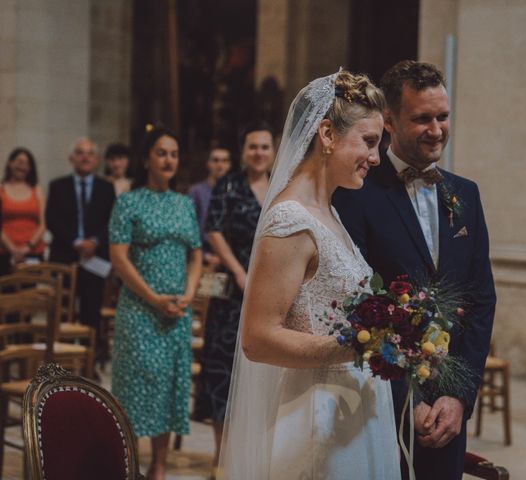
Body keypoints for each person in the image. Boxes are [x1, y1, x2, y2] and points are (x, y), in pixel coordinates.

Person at [217, 70, 400, 480]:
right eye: (369, 142)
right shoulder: (290, 220)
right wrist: (350, 348)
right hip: (317, 416)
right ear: (327, 134)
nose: (375, 157)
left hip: (351, 411)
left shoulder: (330, 212)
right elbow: (258, 339)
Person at [333, 60, 496, 480]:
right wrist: (406, 398)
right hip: (379, 402)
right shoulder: (357, 192)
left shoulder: (466, 195)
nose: (436, 129)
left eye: (442, 116)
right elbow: (355, 303)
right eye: (422, 118)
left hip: (448, 410)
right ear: (389, 121)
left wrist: (458, 397)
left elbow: (481, 299)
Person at [109, 126, 202, 480]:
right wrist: (151, 297)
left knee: (170, 385)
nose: (168, 160)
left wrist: (190, 293)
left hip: (177, 311)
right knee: (134, 385)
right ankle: (128, 460)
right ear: (147, 157)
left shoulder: (184, 204)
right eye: (162, 153)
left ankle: (159, 466)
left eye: (174, 154)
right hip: (139, 310)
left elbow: (195, 255)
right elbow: (118, 258)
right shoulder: (128, 202)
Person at [192, 122, 274, 471]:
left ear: (273, 152)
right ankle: (221, 454)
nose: (258, 152)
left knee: (265, 367)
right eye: (252, 146)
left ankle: (256, 452)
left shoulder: (282, 184)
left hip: (271, 287)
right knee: (222, 367)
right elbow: (213, 230)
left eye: (264, 147)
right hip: (232, 288)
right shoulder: (228, 184)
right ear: (243, 152)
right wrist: (238, 271)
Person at [45, 138, 116, 355]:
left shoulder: (106, 187)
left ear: (96, 160)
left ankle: (89, 360)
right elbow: (52, 219)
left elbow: (112, 219)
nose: (85, 157)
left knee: (91, 312)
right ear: (72, 158)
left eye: (89, 154)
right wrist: (76, 242)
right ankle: (61, 361)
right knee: (62, 312)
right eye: (80, 152)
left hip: (95, 259)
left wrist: (94, 241)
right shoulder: (58, 186)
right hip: (65, 255)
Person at [0, 148, 46, 275]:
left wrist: (27, 248)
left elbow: (43, 224)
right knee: (6, 293)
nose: (23, 166)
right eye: (19, 161)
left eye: (27, 163)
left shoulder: (36, 189)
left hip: (33, 252)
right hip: (4, 252)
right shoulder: (1, 189)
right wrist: (12, 249)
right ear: (10, 163)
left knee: (32, 293)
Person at [188, 146, 232, 267]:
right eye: (215, 160)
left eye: (224, 161)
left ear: (229, 164)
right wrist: (204, 255)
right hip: (204, 258)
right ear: (208, 163)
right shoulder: (196, 192)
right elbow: (190, 228)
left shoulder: (234, 192)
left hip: (231, 259)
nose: (220, 165)